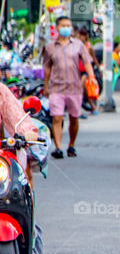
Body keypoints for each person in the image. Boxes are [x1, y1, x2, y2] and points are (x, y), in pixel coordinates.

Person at [0, 82, 67, 254]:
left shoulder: (1, 92)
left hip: (3, 163)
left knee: (25, 211)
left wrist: (27, 133)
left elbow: (19, 118)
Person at [42, 16, 94, 159]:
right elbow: (47, 68)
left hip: (74, 88)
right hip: (56, 88)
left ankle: (71, 144)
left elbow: (87, 63)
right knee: (57, 117)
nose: (67, 28)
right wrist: (46, 86)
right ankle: (58, 147)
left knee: (74, 118)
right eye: (64, 25)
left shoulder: (78, 45)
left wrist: (92, 77)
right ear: (57, 27)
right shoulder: (50, 47)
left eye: (68, 25)